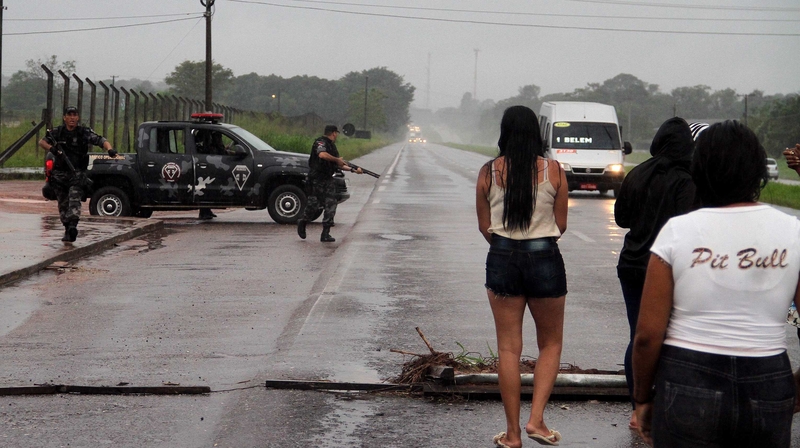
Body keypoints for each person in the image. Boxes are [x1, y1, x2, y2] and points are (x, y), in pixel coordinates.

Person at [632, 120, 800, 447]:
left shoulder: (677, 232)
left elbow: (647, 336)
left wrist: (642, 397)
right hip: (767, 376)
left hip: (688, 377)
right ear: (758, 173)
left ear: (700, 170)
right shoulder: (793, 232)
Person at [476, 106, 568, 448]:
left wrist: (506, 247)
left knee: (509, 349)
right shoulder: (554, 170)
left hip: (501, 256)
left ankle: (513, 434)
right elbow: (561, 225)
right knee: (551, 343)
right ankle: (537, 420)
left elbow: (484, 224)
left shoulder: (488, 171)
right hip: (544, 255)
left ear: (504, 132)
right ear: (536, 133)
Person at [614, 117, 697, 430]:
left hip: (632, 264)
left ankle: (638, 407)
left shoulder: (637, 173)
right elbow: (688, 226)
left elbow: (621, 219)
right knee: (671, 337)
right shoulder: (687, 179)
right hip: (668, 269)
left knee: (639, 335)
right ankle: (665, 405)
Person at [38, 106, 116, 242]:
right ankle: (67, 228)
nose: (72, 118)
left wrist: (110, 150)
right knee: (63, 205)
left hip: (76, 173)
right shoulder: (58, 132)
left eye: (75, 115)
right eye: (69, 115)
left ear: (78, 118)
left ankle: (73, 225)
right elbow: (42, 142)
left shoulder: (83, 132)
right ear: (65, 118)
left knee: (74, 200)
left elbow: (101, 140)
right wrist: (53, 149)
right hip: (60, 174)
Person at [296, 125, 361, 243]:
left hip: (327, 179)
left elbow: (338, 164)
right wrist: (337, 160)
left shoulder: (332, 146)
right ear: (334, 133)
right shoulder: (320, 142)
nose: (337, 135)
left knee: (331, 204)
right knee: (313, 206)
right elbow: (322, 155)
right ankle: (303, 222)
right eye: (336, 133)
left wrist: (354, 170)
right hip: (316, 179)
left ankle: (325, 233)